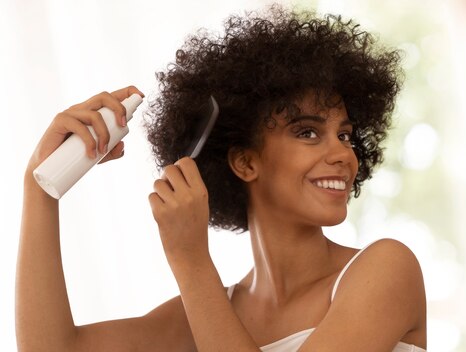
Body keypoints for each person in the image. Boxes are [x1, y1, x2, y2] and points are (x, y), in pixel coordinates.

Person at [16, 6, 426, 351]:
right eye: (307, 132)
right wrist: (39, 187)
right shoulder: (209, 310)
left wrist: (190, 259)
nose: (342, 154)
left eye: (345, 135)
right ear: (245, 163)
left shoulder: (385, 269)